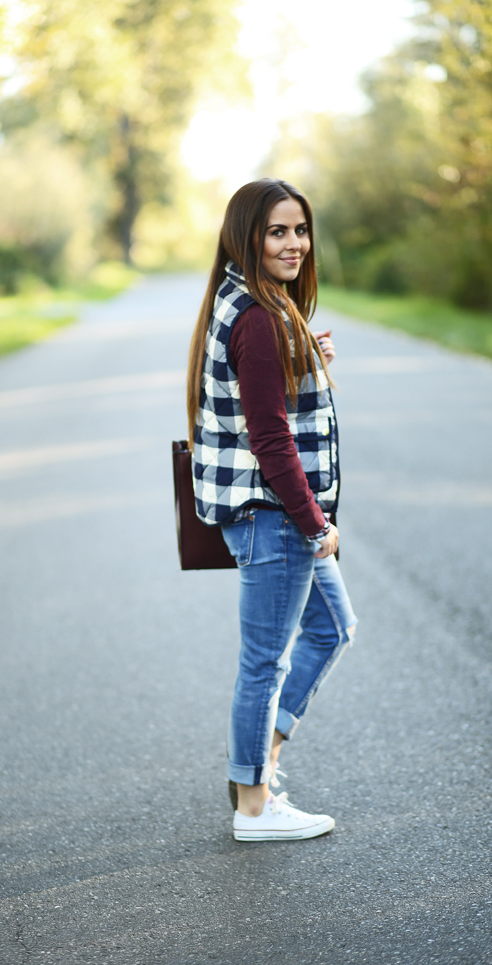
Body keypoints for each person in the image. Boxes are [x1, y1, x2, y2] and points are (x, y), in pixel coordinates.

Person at [186, 178, 357, 842]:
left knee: (333, 628)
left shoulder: (257, 303)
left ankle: (258, 765)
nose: (293, 243)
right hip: (274, 513)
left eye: (300, 229)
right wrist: (316, 524)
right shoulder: (258, 316)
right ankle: (253, 806)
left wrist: (309, 355)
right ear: (247, 238)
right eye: (276, 231)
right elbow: (269, 438)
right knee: (265, 659)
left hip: (268, 511)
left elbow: (260, 392)